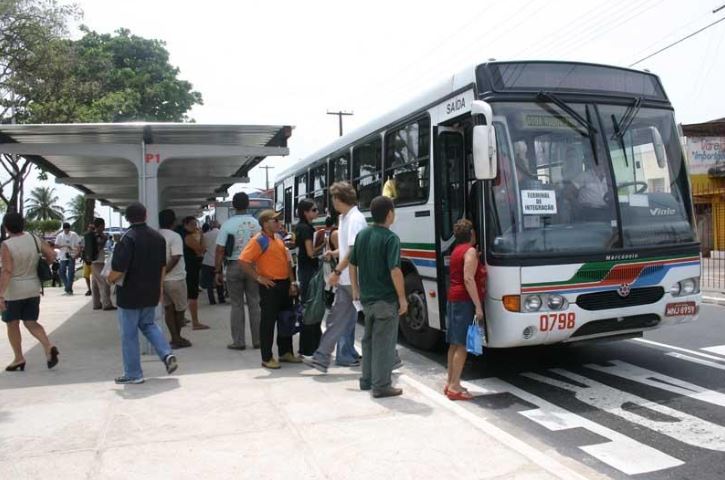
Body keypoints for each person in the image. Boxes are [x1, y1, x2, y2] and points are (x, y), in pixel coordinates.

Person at [107, 202, 177, 384]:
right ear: (146, 215)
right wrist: (160, 288)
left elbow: (119, 270)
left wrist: (109, 279)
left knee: (129, 334)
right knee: (149, 325)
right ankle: (166, 354)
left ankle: (133, 373)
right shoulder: (158, 237)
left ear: (127, 218)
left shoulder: (127, 239)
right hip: (151, 291)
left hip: (129, 293)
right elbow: (162, 266)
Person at [350, 195, 407, 398]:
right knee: (384, 343)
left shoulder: (362, 235)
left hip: (367, 299)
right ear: (389, 214)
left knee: (369, 340)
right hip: (385, 299)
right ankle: (381, 385)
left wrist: (355, 288)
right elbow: (395, 271)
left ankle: (366, 380)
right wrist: (402, 298)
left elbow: (352, 262)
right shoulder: (391, 238)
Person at [306, 182, 367, 373]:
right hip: (348, 280)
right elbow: (349, 248)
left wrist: (337, 271)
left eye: (333, 198)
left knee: (372, 319)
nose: (331, 202)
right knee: (337, 320)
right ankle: (321, 358)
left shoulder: (355, 219)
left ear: (339, 199)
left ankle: (322, 358)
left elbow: (354, 250)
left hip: (354, 279)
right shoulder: (344, 218)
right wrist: (335, 253)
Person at [239, 209, 301, 369]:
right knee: (268, 322)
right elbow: (243, 261)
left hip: (284, 284)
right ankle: (267, 357)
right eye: (275, 220)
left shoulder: (278, 238)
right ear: (265, 223)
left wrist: (292, 282)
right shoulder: (259, 240)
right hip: (270, 287)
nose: (279, 223)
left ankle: (286, 352)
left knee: (286, 319)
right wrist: (258, 278)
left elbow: (287, 262)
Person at [0, 213, 59, 372]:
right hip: (33, 287)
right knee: (31, 322)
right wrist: (44, 264)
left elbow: (7, 270)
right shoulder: (33, 238)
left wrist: (0, 294)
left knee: (12, 324)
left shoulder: (7, 245)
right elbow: (52, 254)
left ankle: (18, 358)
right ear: (23, 224)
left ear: (6, 227)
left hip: (14, 291)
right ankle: (48, 346)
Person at [444, 219, 486, 401]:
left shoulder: (456, 251)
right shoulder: (469, 251)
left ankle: (450, 382)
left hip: (453, 298)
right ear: (471, 234)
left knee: (454, 343)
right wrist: (478, 306)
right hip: (464, 301)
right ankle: (455, 387)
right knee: (462, 344)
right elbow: (468, 279)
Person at [215, 192, 262, 350]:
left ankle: (239, 342)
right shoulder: (256, 224)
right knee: (254, 303)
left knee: (236, 305)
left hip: (234, 265)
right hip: (253, 266)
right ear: (248, 204)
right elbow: (263, 247)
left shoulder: (227, 225)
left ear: (233, 205)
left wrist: (217, 271)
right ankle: (258, 341)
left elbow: (220, 250)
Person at [158, 209, 191, 349]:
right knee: (180, 309)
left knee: (168, 309)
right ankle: (177, 338)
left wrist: (160, 275)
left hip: (161, 281)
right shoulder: (175, 236)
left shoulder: (156, 234)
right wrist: (165, 272)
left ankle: (174, 338)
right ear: (174, 221)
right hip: (176, 279)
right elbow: (176, 256)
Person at [295, 198, 323, 356]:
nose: (316, 212)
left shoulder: (299, 227)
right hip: (309, 272)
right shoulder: (306, 229)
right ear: (305, 212)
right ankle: (309, 347)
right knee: (312, 308)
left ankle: (309, 347)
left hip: (304, 271)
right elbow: (311, 252)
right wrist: (323, 245)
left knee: (308, 307)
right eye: (313, 210)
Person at [178, 216, 209, 330]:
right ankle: (195, 322)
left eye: (196, 224)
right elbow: (202, 249)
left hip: (185, 267)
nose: (195, 227)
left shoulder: (181, 234)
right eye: (193, 224)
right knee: (192, 295)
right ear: (186, 224)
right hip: (190, 268)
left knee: (184, 294)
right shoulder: (188, 237)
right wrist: (202, 236)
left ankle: (181, 318)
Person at [90, 218, 115, 311]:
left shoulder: (90, 235)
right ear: (100, 226)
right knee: (104, 282)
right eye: (103, 226)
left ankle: (96, 303)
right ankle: (106, 303)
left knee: (95, 283)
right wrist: (102, 235)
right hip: (98, 261)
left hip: (92, 261)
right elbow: (101, 243)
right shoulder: (99, 236)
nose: (104, 228)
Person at [201, 221, 225, 305]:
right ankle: (221, 299)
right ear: (218, 225)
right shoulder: (222, 234)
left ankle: (212, 301)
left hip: (207, 261)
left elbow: (203, 249)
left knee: (209, 283)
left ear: (211, 226)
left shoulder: (205, 235)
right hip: (219, 261)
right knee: (219, 281)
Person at [55, 222, 81, 295]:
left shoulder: (73, 234)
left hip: (71, 255)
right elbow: (56, 245)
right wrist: (64, 245)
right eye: (65, 230)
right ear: (63, 229)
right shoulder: (60, 235)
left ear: (69, 229)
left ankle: (68, 288)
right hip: (63, 256)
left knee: (71, 272)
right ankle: (67, 287)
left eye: (68, 229)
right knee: (61, 272)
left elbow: (78, 244)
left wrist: (78, 253)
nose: (67, 231)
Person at [81, 223, 94, 296]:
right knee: (86, 275)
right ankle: (89, 289)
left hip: (94, 260)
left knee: (94, 277)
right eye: (89, 227)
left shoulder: (95, 237)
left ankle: (93, 289)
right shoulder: (84, 237)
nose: (90, 229)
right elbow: (82, 247)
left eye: (92, 228)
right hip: (86, 259)